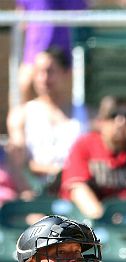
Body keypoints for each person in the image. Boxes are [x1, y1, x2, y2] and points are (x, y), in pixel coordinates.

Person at [7, 47, 89, 197]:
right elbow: (18, 161)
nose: (43, 78)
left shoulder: (88, 115)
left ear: (66, 73)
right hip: (37, 195)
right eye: (38, 72)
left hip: (79, 192)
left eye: (50, 71)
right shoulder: (20, 115)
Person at [60, 95, 126, 220]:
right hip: (95, 220)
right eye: (113, 115)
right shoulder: (85, 145)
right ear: (100, 121)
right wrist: (103, 218)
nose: (121, 121)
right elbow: (77, 188)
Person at [15, 0, 88, 103]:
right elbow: (21, 15)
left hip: (60, 43)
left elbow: (81, 8)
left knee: (65, 87)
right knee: (25, 84)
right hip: (35, 43)